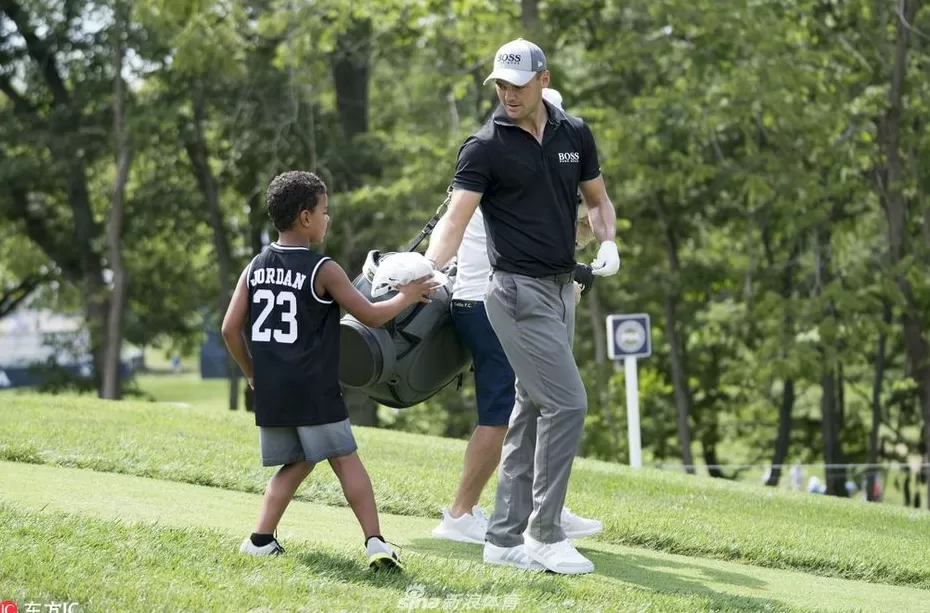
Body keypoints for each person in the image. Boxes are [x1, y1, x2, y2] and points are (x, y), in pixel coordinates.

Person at [424, 39, 621, 575]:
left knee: (532, 406)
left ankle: (504, 537)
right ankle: (544, 533)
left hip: (562, 290)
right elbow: (455, 220)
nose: (508, 94)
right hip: (513, 291)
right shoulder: (485, 146)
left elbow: (599, 200)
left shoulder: (573, 133)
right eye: (501, 86)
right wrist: (427, 267)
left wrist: (607, 242)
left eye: (517, 84)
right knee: (569, 403)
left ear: (543, 80)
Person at [221, 170, 438, 570]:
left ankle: (260, 540)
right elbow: (371, 316)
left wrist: (253, 373)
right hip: (312, 387)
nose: (328, 218)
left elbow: (230, 329)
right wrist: (408, 296)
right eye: (325, 211)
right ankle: (376, 543)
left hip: (273, 388)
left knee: (301, 460)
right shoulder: (324, 269)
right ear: (305, 217)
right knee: (344, 456)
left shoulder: (255, 266)